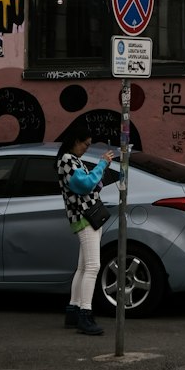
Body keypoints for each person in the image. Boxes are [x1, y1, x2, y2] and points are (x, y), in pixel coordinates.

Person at [56, 122, 115, 337]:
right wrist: (101, 165)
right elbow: (85, 185)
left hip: (87, 217)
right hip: (84, 217)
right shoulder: (66, 161)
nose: (86, 148)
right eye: (85, 144)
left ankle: (73, 310)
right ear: (75, 141)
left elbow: (90, 183)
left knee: (83, 267)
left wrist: (99, 174)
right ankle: (85, 315)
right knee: (92, 266)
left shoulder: (73, 160)